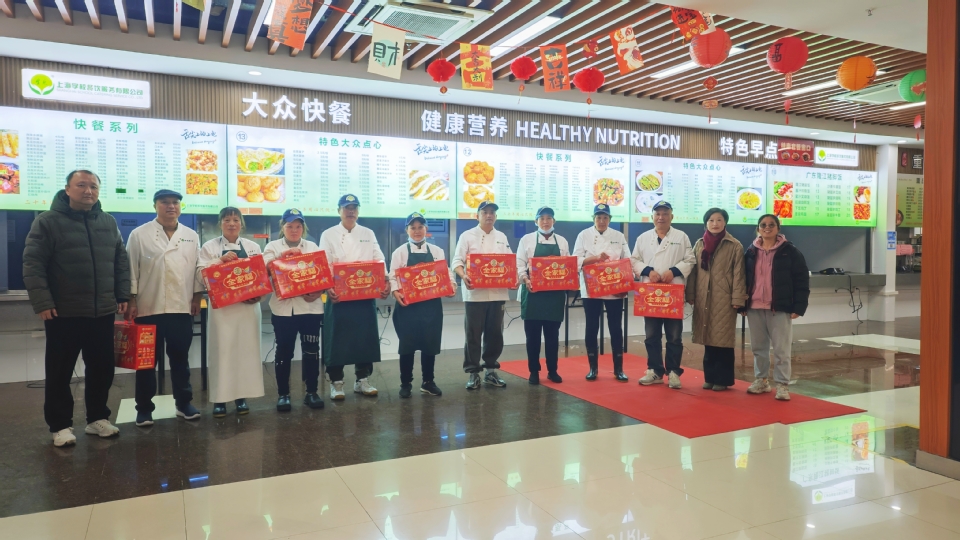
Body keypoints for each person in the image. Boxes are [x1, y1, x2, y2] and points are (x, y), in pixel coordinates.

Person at [23, 170, 130, 447]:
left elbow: (120, 260)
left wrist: (122, 294)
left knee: (102, 368)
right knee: (60, 371)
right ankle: (60, 426)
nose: (88, 191)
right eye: (81, 185)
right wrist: (43, 302)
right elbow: (33, 264)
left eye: (93, 186)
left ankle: (97, 418)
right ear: (67, 189)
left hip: (102, 311)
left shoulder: (108, 222)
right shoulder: (47, 221)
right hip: (63, 311)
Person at [125, 189, 203, 427]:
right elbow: (131, 269)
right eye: (165, 202)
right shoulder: (139, 234)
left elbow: (197, 269)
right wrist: (132, 300)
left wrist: (196, 297)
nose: (171, 206)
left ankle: (184, 404)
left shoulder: (190, 235)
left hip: (181, 307)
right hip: (149, 307)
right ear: (155, 206)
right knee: (146, 362)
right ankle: (144, 408)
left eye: (175, 202)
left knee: (180, 359)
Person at [318, 194, 389, 400]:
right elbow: (324, 263)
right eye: (346, 208)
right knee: (336, 338)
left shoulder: (368, 233)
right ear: (338, 210)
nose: (351, 211)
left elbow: (378, 258)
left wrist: (384, 280)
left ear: (358, 211)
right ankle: (336, 382)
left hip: (364, 293)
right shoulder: (328, 234)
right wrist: (328, 287)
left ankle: (362, 380)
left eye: (354, 208)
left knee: (365, 337)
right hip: (338, 295)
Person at [198, 207, 265, 417]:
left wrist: (259, 296)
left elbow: (261, 275)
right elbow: (200, 275)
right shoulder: (210, 247)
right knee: (222, 352)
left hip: (248, 309)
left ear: (241, 224)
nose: (231, 224)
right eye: (227, 220)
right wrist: (220, 261)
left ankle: (241, 397)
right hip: (223, 311)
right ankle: (220, 399)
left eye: (236, 220)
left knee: (246, 352)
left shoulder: (253, 247)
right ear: (220, 224)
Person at [262, 209, 326, 412]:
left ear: (303, 228)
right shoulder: (272, 247)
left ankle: (311, 392)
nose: (294, 230)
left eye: (298, 226)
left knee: (311, 351)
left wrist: (319, 291)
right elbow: (264, 270)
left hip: (310, 308)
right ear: (283, 227)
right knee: (284, 351)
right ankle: (283, 395)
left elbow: (323, 273)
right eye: (290, 226)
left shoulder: (312, 247)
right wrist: (282, 258)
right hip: (284, 310)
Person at [742, 214, 810, 401]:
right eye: (763, 224)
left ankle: (782, 384)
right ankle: (761, 380)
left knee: (781, 349)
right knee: (758, 348)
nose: (767, 227)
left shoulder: (790, 252)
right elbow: (743, 279)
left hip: (779, 308)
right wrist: (742, 304)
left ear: (778, 228)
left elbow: (802, 280)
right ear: (758, 228)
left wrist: (799, 306)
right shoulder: (750, 251)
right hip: (755, 307)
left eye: (771, 224)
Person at [388, 212, 456, 398]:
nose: (417, 231)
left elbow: (446, 272)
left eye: (420, 227)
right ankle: (405, 383)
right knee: (407, 346)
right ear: (407, 230)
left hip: (431, 307)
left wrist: (452, 285)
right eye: (413, 227)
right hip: (408, 307)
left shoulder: (437, 251)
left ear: (426, 229)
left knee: (430, 344)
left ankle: (428, 382)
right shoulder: (399, 252)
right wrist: (395, 291)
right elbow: (392, 276)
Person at [633, 201, 695, 389]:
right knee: (651, 335)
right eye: (657, 214)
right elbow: (634, 260)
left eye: (665, 214)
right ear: (652, 217)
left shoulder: (681, 236)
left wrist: (674, 271)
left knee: (674, 336)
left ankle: (674, 372)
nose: (661, 217)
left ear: (672, 216)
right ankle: (655, 370)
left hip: (672, 294)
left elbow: (690, 259)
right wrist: (648, 271)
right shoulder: (643, 238)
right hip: (650, 294)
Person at [452, 200, 513, 389]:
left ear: (496, 216)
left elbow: (509, 263)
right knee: (473, 334)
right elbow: (456, 262)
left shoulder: (501, 236)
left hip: (497, 294)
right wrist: (464, 275)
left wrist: (512, 277)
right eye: (485, 212)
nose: (489, 215)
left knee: (495, 334)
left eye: (492, 212)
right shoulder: (467, 236)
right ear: (477, 216)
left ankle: (490, 371)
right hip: (475, 295)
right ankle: (473, 373)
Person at [685, 208, 747, 392]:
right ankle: (710, 377)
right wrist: (690, 294)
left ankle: (723, 379)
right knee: (708, 338)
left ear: (725, 222)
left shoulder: (734, 245)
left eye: (719, 220)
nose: (715, 223)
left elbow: (739, 274)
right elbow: (694, 272)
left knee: (723, 340)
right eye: (711, 220)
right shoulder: (699, 244)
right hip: (703, 297)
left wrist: (738, 298)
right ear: (706, 223)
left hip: (724, 298)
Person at [572, 204, 632, 381]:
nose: (602, 221)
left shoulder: (618, 236)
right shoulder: (583, 235)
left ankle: (618, 369)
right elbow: (575, 260)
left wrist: (625, 284)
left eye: (605, 217)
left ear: (610, 219)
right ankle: (593, 368)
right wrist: (595, 258)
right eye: (598, 217)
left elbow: (627, 259)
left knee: (616, 327)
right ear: (593, 219)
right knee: (592, 326)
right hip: (591, 288)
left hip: (614, 288)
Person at [517, 207, 571, 385]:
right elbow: (520, 264)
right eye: (542, 218)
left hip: (554, 297)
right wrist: (525, 279)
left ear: (554, 221)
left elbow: (567, 266)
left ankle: (552, 370)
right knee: (532, 337)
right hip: (533, 294)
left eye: (549, 218)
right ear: (536, 221)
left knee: (552, 336)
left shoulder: (562, 241)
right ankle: (534, 371)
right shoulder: (526, 240)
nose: (545, 222)